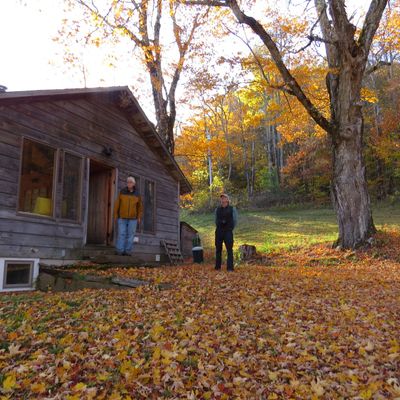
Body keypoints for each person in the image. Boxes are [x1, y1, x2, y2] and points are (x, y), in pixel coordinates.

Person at [113, 176, 143, 256]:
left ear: (134, 184)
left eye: (130, 182)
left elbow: (140, 207)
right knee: (121, 233)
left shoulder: (137, 194)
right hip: (122, 217)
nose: (129, 183)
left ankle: (127, 251)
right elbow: (117, 204)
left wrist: (139, 217)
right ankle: (120, 251)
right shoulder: (122, 192)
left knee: (131, 235)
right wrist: (115, 215)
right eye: (128, 182)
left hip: (133, 218)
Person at [214, 193, 238, 271]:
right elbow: (215, 220)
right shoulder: (217, 209)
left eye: (224, 198)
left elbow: (235, 220)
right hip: (219, 231)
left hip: (228, 231)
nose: (222, 200)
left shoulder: (232, 209)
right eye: (221, 198)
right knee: (218, 249)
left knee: (229, 250)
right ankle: (217, 267)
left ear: (227, 200)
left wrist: (230, 228)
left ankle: (230, 268)